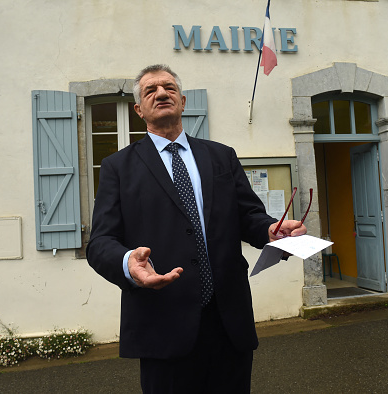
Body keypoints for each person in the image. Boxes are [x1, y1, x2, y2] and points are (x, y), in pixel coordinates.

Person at [87, 64, 306, 393]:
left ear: (183, 101)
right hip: (164, 321)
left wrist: (271, 230)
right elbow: (100, 241)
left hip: (228, 320)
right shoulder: (118, 167)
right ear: (138, 110)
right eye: (151, 91)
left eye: (169, 88)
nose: (162, 93)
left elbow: (249, 216)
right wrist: (128, 261)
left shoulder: (221, 156)